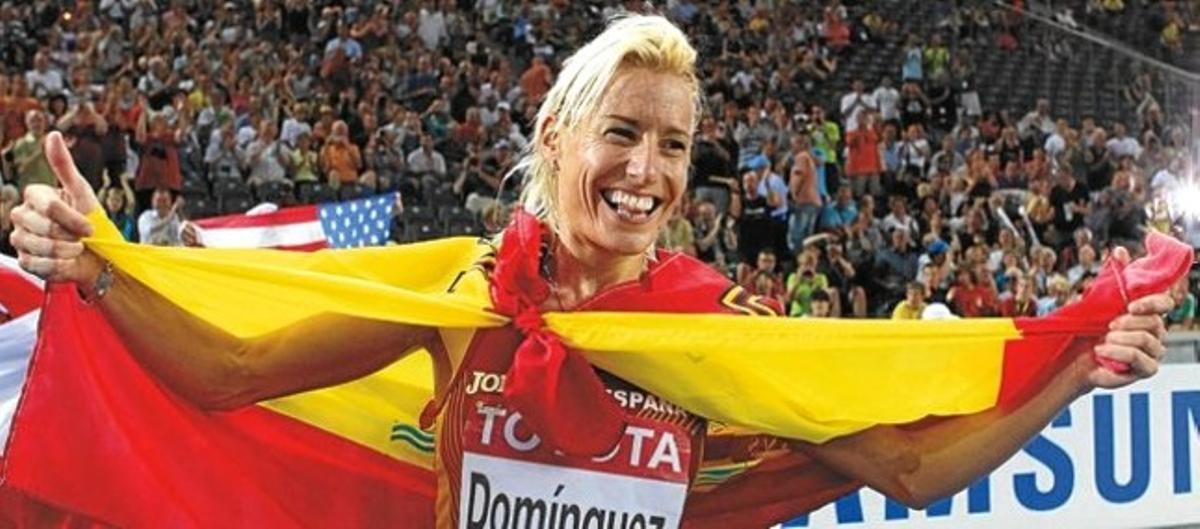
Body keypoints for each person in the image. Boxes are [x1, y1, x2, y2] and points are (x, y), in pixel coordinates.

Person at [8, 14, 1176, 529]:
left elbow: (910, 470)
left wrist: (1074, 367)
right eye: (623, 132)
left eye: (673, 145)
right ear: (558, 139)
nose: (647, 169)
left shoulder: (714, 336)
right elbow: (227, 374)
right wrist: (104, 271)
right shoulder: (462, 300)